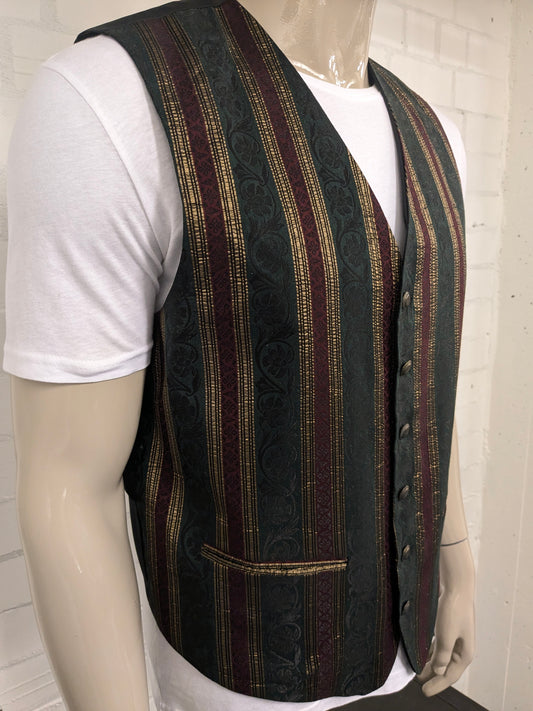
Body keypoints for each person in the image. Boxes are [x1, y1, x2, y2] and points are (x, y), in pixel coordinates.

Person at [5, 1, 475, 709]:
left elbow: (424, 375)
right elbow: (67, 484)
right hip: (238, 667)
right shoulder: (112, 96)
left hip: (407, 654)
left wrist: (455, 558)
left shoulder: (438, 138)